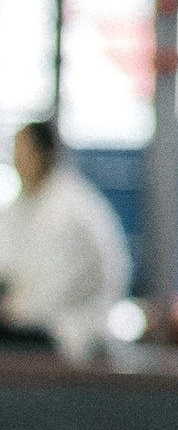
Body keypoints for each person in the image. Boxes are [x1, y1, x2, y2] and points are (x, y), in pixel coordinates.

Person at [0, 119, 131, 360]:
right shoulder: (17, 208)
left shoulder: (75, 208)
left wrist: (18, 307)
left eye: (25, 152)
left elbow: (62, 286)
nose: (19, 161)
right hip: (25, 329)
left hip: (70, 335)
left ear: (46, 154)